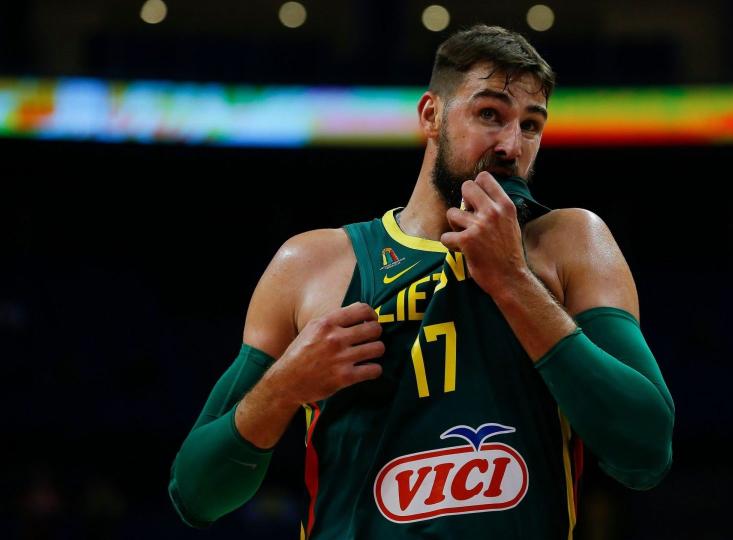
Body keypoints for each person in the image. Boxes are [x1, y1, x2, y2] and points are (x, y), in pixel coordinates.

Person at [168, 24, 675, 539]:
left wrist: (512, 281)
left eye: (530, 124)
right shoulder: (314, 264)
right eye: (489, 114)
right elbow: (195, 493)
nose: (510, 144)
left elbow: (645, 452)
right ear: (431, 115)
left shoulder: (568, 242)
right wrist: (281, 390)